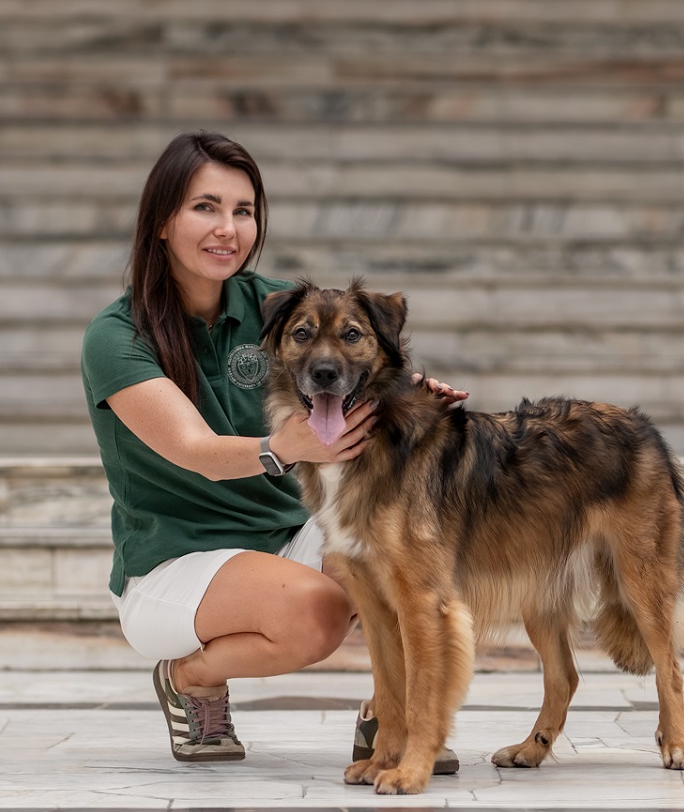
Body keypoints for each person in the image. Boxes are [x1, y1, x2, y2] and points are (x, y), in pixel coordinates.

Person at [79, 130, 465, 764]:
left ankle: (393, 717)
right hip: (177, 563)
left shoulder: (273, 303)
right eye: (205, 207)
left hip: (287, 534)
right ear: (161, 222)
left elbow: (348, 351)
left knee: (407, 547)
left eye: (243, 210)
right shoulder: (117, 336)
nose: (226, 228)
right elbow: (192, 446)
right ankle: (188, 678)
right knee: (317, 614)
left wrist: (406, 388)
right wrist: (282, 448)